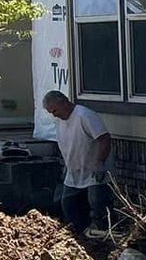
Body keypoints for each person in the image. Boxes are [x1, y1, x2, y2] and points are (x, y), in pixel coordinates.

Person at [43, 90, 112, 236]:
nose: (54, 115)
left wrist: (99, 162)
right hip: (74, 171)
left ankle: (104, 236)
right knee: (68, 204)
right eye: (51, 112)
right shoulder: (59, 122)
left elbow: (104, 138)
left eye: (55, 110)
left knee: (97, 205)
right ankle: (79, 236)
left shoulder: (84, 115)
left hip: (94, 171)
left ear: (63, 102)